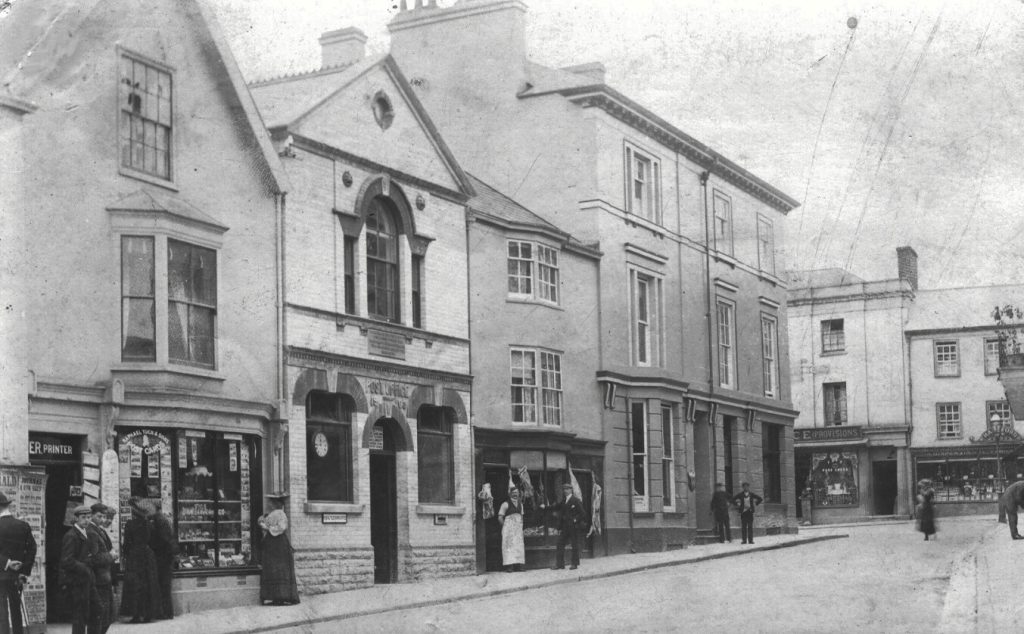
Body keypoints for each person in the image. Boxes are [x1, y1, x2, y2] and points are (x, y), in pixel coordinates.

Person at [0, 492, 36, 634]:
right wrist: (23, 571)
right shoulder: (23, 525)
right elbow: (32, 549)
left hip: (1, 575)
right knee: (16, 609)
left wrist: (7, 563)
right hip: (17, 576)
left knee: (1, 612)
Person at [119, 498, 160, 623]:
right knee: (148, 584)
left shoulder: (130, 524)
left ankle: (136, 614)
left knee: (135, 585)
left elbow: (126, 544)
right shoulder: (149, 524)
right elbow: (154, 542)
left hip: (134, 556)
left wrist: (126, 554)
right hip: (147, 556)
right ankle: (148, 614)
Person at [60, 505, 98, 634]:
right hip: (78, 581)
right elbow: (66, 560)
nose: (86, 520)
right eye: (83, 517)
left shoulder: (86, 533)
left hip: (87, 580)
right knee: (80, 616)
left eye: (88, 517)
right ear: (76, 518)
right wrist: (85, 567)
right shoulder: (71, 536)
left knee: (96, 610)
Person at [258, 494, 299, 606]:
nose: (269, 504)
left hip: (278, 544)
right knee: (273, 568)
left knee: (279, 568)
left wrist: (266, 527)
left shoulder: (280, 514)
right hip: (271, 543)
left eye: (271, 502)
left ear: (276, 504)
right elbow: (264, 522)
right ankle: (275, 596)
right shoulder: (272, 514)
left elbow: (282, 528)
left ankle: (281, 596)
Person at [87, 503, 117, 634]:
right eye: (99, 516)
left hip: (105, 578)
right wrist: (111, 556)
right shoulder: (91, 532)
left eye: (104, 517)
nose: (103, 520)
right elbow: (94, 558)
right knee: (99, 617)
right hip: (98, 580)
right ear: (92, 515)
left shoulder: (100, 530)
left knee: (107, 617)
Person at [543, 483, 586, 570]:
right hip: (565, 527)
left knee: (574, 545)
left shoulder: (575, 500)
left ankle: (574, 564)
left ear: (571, 490)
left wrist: (575, 520)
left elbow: (582, 513)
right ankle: (560, 564)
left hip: (574, 527)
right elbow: (556, 507)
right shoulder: (564, 500)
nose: (565, 491)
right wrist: (546, 507)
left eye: (567, 489)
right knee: (560, 544)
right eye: (564, 489)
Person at [149, 502, 178, 620]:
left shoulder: (159, 520)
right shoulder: (161, 518)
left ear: (155, 508)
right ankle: (165, 612)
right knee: (164, 586)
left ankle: (166, 613)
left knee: (164, 586)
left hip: (163, 558)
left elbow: (164, 540)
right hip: (166, 557)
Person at [497, 488, 525, 572]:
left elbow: (522, 516)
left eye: (517, 492)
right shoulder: (505, 504)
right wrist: (505, 527)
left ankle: (519, 566)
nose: (515, 494)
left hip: (517, 529)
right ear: (510, 494)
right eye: (513, 493)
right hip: (508, 529)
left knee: (518, 547)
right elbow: (500, 517)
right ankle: (510, 567)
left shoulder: (521, 504)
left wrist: (520, 526)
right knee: (509, 547)